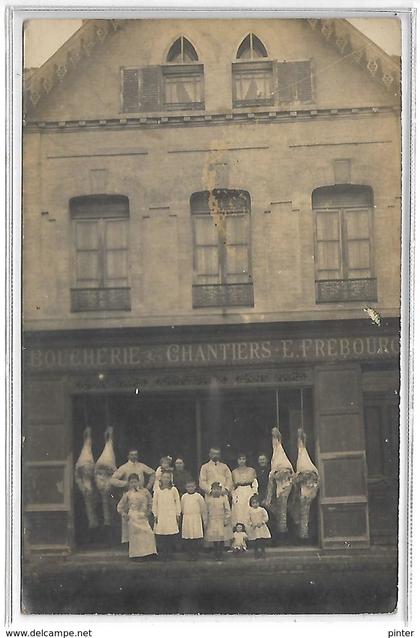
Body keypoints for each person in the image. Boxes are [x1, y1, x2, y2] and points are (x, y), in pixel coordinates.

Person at [110, 449, 155, 543]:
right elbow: (113, 480)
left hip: (141, 495)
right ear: (128, 456)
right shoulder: (124, 467)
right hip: (129, 497)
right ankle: (130, 544)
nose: (134, 456)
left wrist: (148, 486)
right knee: (128, 521)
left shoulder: (141, 466)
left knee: (143, 520)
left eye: (135, 455)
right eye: (132, 455)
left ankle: (142, 544)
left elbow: (152, 473)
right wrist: (126, 483)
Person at [116, 473, 157, 560]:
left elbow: (150, 502)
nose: (134, 484)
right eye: (131, 482)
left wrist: (148, 512)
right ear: (129, 483)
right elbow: (120, 507)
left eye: (135, 481)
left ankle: (149, 554)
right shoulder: (127, 494)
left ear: (139, 482)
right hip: (133, 516)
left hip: (143, 516)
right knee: (136, 537)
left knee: (148, 533)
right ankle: (137, 555)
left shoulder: (145, 492)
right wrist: (124, 514)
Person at [152, 470, 181, 561]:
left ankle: (170, 553)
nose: (166, 479)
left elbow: (177, 502)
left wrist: (178, 513)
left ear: (170, 479)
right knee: (162, 534)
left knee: (170, 534)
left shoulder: (173, 490)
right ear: (161, 478)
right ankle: (163, 554)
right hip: (161, 514)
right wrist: (155, 514)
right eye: (164, 477)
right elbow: (155, 503)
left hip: (171, 514)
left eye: (168, 477)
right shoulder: (157, 490)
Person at [180, 480, 207, 560]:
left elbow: (203, 508)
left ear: (195, 487)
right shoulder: (184, 497)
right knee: (188, 537)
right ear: (186, 488)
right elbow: (182, 508)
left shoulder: (198, 496)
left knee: (196, 536)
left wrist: (204, 519)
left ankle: (196, 554)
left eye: (192, 486)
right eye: (188, 487)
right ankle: (189, 554)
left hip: (196, 518)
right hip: (187, 518)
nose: (190, 488)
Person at [205, 481, 232, 559]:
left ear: (220, 490)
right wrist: (206, 521)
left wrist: (226, 519)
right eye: (214, 489)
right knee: (214, 537)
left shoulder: (224, 499)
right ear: (211, 490)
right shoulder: (209, 499)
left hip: (221, 520)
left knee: (221, 536)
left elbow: (227, 510)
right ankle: (216, 552)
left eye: (218, 489)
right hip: (212, 520)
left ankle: (220, 552)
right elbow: (206, 510)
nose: (216, 491)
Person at [231, 453, 258, 534]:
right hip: (238, 491)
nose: (242, 461)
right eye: (240, 459)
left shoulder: (251, 470)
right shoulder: (234, 472)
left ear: (246, 460)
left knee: (248, 511)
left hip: (248, 491)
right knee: (239, 512)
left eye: (243, 459)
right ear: (237, 460)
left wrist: (254, 492)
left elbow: (254, 482)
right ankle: (239, 535)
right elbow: (232, 485)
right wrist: (233, 495)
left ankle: (251, 535)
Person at [247, 494, 271, 558]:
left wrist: (262, 522)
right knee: (256, 540)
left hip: (261, 527)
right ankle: (256, 552)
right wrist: (251, 524)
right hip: (254, 528)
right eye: (253, 503)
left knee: (261, 539)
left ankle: (263, 551)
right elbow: (248, 519)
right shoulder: (250, 511)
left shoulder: (262, 510)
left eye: (256, 503)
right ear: (251, 504)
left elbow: (266, 517)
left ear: (259, 503)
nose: (255, 504)